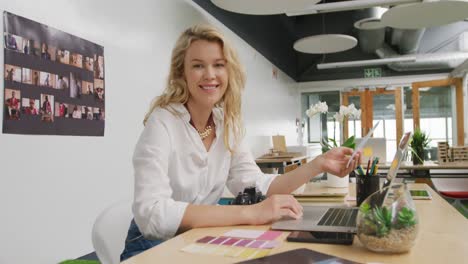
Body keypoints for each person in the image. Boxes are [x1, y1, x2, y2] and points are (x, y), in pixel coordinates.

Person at [120, 25, 360, 261]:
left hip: (196, 239)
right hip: (150, 248)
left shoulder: (226, 125)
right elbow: (151, 214)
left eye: (218, 65)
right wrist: (250, 213)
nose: (210, 74)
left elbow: (257, 184)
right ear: (182, 73)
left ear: (229, 71)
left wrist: (318, 165)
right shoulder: (162, 122)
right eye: (197, 66)